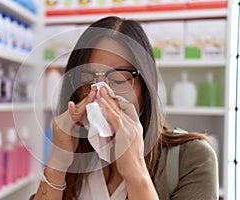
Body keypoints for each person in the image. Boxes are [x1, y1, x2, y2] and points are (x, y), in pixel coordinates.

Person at [31, 16, 218, 200]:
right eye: (87, 78)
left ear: (145, 86)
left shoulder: (193, 158)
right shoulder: (76, 156)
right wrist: (57, 164)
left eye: (118, 78)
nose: (100, 92)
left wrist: (134, 168)